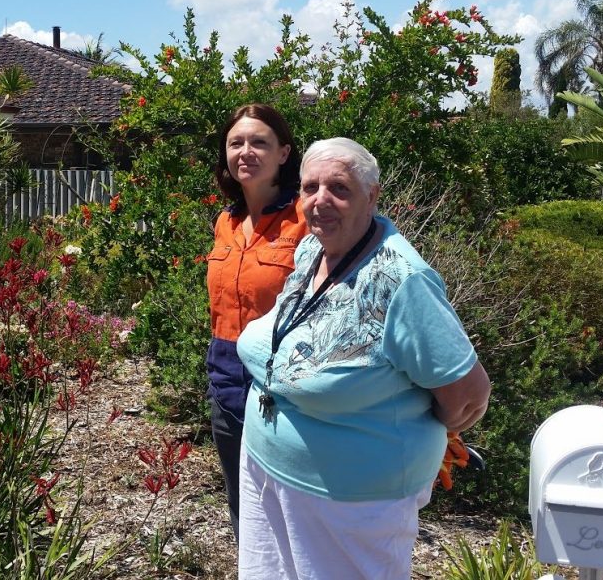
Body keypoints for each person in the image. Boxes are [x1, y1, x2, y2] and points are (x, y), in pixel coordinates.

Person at [236, 138, 491, 580]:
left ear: (371, 196)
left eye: (339, 188)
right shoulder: (312, 251)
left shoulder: (401, 280)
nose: (320, 201)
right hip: (267, 469)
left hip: (352, 502)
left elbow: (468, 397)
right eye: (309, 187)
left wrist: (403, 432)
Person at [206, 104, 308, 540]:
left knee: (292, 509)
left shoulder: (307, 217)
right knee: (243, 507)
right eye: (236, 143)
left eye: (259, 142)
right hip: (226, 377)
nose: (246, 151)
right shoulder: (226, 222)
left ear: (284, 153)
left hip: (285, 382)